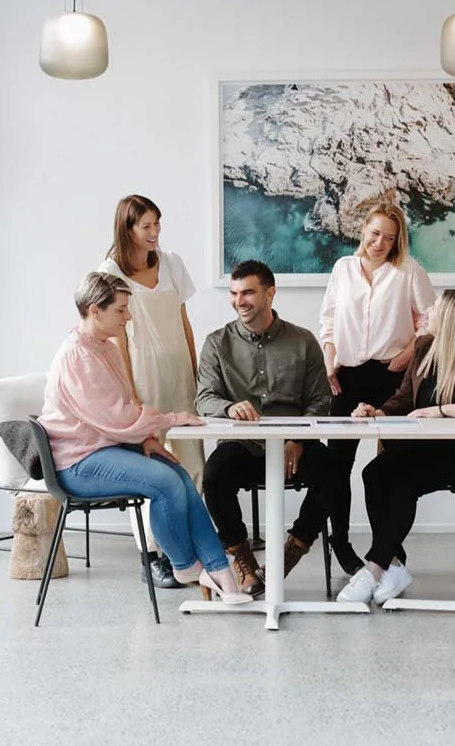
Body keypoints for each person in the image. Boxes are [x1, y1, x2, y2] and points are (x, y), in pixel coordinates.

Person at [39, 271, 251, 605]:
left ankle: (220, 572)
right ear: (95, 310)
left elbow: (122, 409)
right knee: (164, 483)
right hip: (77, 463)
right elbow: (119, 416)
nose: (129, 316)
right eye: (121, 310)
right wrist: (172, 419)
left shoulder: (104, 347)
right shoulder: (79, 356)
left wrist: (145, 440)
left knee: (178, 472)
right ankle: (185, 566)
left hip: (103, 448)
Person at [336, 288, 455, 605]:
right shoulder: (424, 347)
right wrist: (379, 411)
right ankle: (394, 564)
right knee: (373, 472)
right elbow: (403, 398)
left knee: (403, 484)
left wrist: (440, 410)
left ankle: (374, 567)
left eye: (436, 308)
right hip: (420, 446)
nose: (428, 311)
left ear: (453, 319)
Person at [197, 260, 334, 597]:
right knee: (214, 477)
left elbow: (320, 401)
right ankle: (242, 560)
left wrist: (297, 440)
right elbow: (204, 398)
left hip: (294, 445)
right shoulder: (217, 343)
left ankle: (288, 555)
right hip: (245, 444)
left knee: (333, 472)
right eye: (233, 293)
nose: (238, 300)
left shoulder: (303, 341)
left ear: (270, 293)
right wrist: (229, 407)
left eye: (248, 292)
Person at [319, 200, 435, 575]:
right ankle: (340, 541)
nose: (379, 243)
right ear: (362, 230)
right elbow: (329, 320)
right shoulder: (343, 269)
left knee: (393, 466)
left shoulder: (409, 271)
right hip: (347, 377)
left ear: (398, 240)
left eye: (388, 237)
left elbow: (431, 324)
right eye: (374, 234)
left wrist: (405, 356)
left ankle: (387, 549)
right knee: (338, 465)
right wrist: (330, 357)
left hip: (392, 377)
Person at [99, 194, 204, 589]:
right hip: (141, 376)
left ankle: (189, 549)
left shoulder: (173, 262)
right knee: (150, 468)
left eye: (157, 224)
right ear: (128, 228)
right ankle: (153, 556)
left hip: (179, 373)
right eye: (146, 226)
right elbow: (118, 338)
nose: (155, 233)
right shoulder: (110, 271)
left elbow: (184, 321)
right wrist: (130, 391)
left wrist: (195, 374)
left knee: (192, 460)